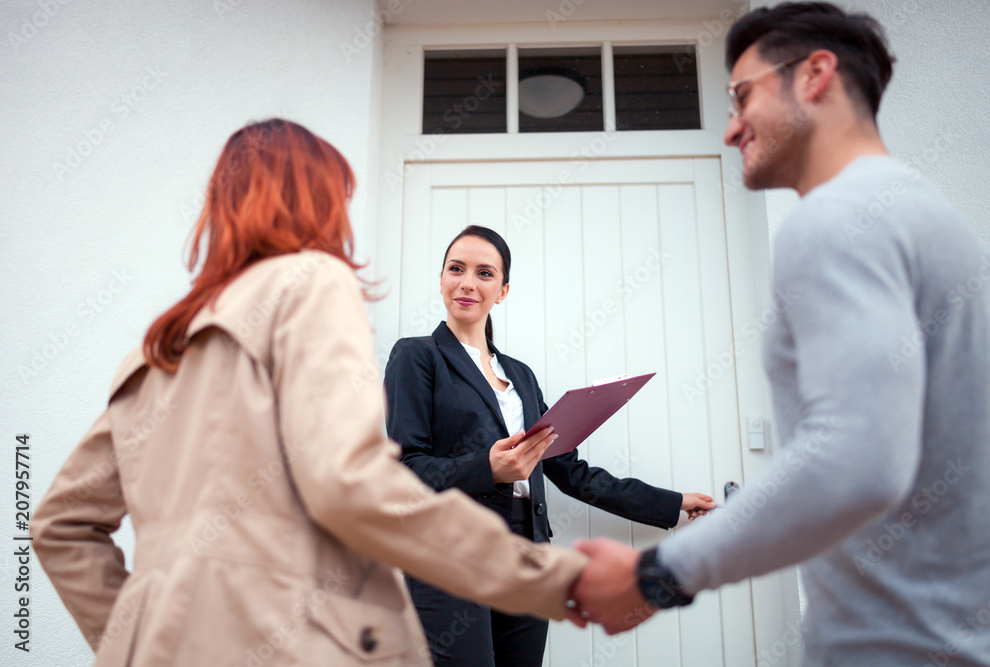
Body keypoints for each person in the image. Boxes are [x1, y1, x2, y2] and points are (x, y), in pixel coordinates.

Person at [30, 119, 591, 667]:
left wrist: (133, 640)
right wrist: (557, 578)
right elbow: (350, 486)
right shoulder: (310, 283)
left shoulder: (156, 349)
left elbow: (60, 524)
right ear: (317, 203)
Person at [570, 3, 990, 665]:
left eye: (742, 97)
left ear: (816, 76)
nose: (731, 129)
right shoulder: (932, 217)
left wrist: (654, 575)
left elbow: (855, 457)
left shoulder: (833, 217)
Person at [384, 224, 715, 667]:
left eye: (484, 273)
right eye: (456, 269)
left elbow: (571, 473)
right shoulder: (416, 356)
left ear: (502, 291)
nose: (467, 282)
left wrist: (671, 503)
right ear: (441, 279)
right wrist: (489, 469)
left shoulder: (521, 376)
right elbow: (405, 470)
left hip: (527, 550)